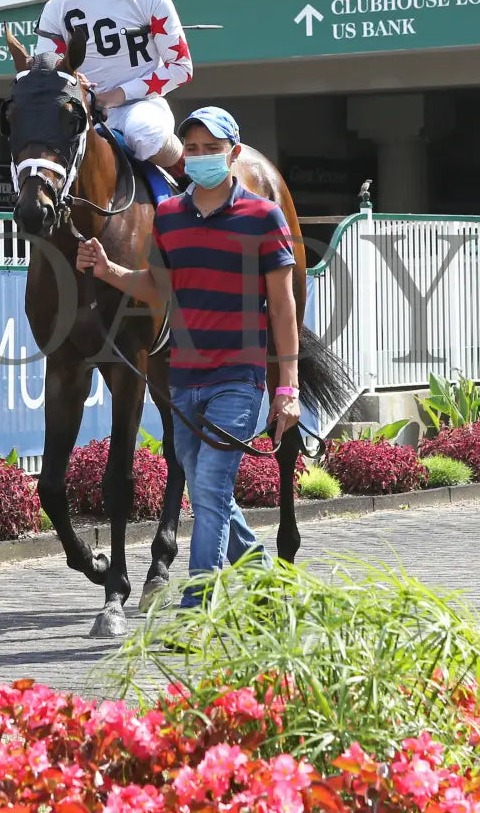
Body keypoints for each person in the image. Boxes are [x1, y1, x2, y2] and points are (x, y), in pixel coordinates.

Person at [76, 106, 301, 608]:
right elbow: (158, 287)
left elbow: (284, 308)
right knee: (204, 490)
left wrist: (287, 386)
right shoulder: (171, 215)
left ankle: (196, 607)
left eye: (211, 149)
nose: (200, 157)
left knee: (213, 485)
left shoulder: (263, 217)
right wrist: (109, 270)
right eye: (192, 149)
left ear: (233, 153)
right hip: (183, 379)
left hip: (239, 378)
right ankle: (265, 578)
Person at [34, 0, 193, 174]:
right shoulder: (57, 6)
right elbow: (45, 67)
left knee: (145, 134)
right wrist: (70, 80)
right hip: (81, 110)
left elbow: (180, 68)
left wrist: (117, 95)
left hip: (140, 106)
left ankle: (196, 183)